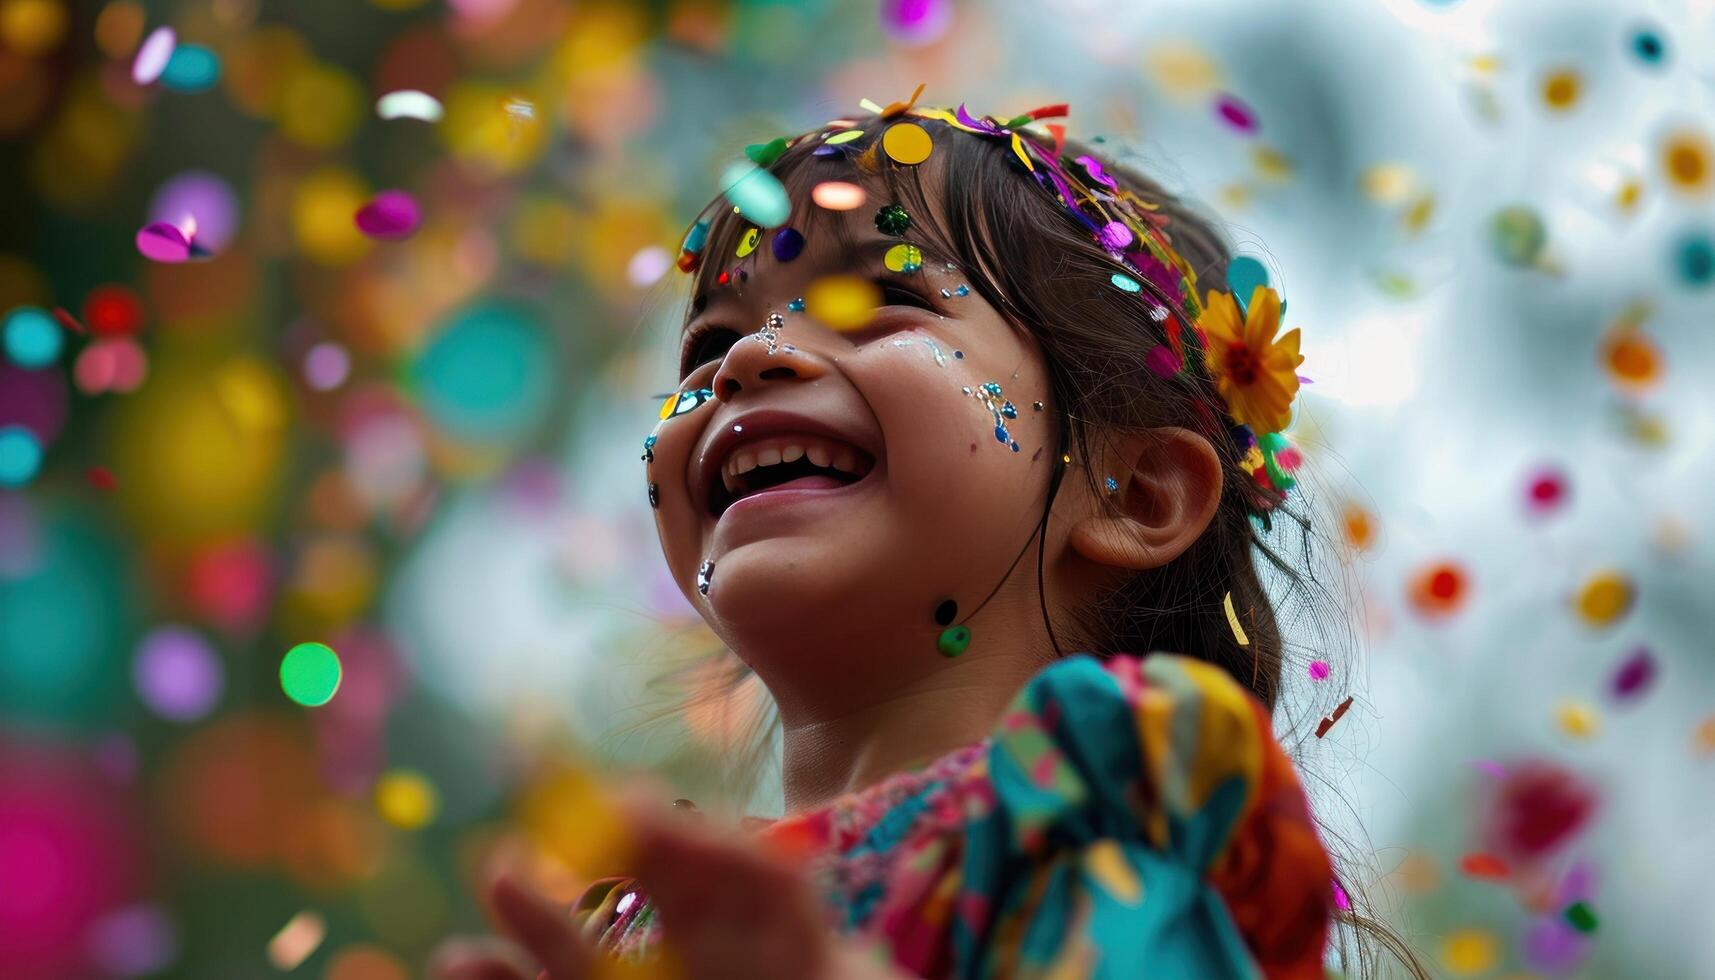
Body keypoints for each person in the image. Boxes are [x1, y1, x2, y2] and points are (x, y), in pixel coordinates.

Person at [432, 88, 1422, 980]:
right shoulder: (647, 930)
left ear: (1133, 491)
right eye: (708, 341)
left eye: (879, 302)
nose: (745, 363)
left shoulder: (1097, 813)